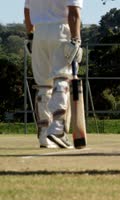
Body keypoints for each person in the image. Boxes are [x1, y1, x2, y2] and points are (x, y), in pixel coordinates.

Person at [24, 0, 83, 149]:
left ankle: (44, 135)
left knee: (43, 84)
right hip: (61, 31)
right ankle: (57, 129)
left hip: (39, 33)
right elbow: (74, 14)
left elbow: (27, 12)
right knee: (62, 77)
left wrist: (31, 36)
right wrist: (76, 40)